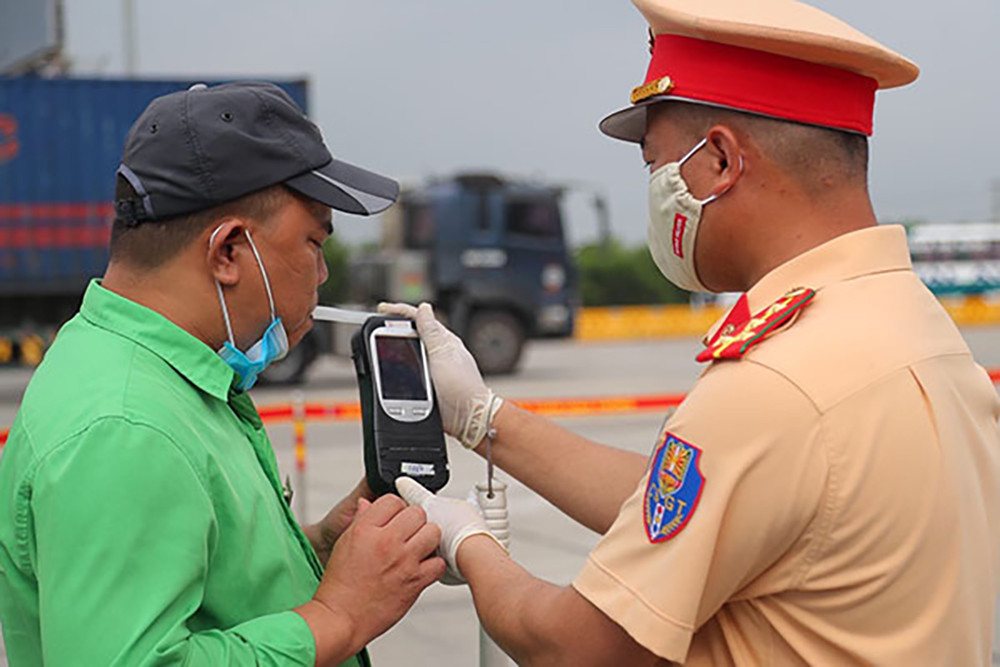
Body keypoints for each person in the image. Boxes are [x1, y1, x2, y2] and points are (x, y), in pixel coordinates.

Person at [385, 0, 1000, 664]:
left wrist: (467, 540)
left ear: (719, 163)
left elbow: (574, 647)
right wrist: (483, 418)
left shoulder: (777, 382)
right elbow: (693, 498)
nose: (652, 187)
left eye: (655, 164)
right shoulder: (911, 320)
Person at [0, 82, 445, 666]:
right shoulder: (127, 428)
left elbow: (194, 587)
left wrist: (317, 548)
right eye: (313, 242)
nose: (321, 275)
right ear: (230, 251)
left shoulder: (162, 377)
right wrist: (338, 614)